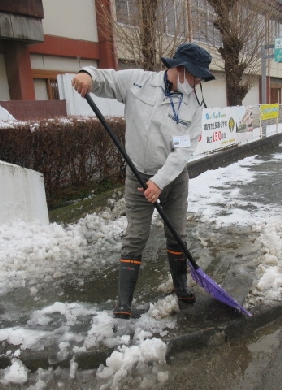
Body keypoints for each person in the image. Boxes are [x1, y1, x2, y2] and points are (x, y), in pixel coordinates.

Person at [72, 43, 215, 319]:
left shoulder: (194, 105)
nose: (197, 81)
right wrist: (87, 75)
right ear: (180, 69)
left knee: (177, 233)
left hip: (173, 179)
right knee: (136, 235)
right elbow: (107, 80)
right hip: (138, 176)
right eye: (196, 75)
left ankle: (182, 287)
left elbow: (184, 150)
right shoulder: (138, 82)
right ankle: (123, 304)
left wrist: (159, 182)